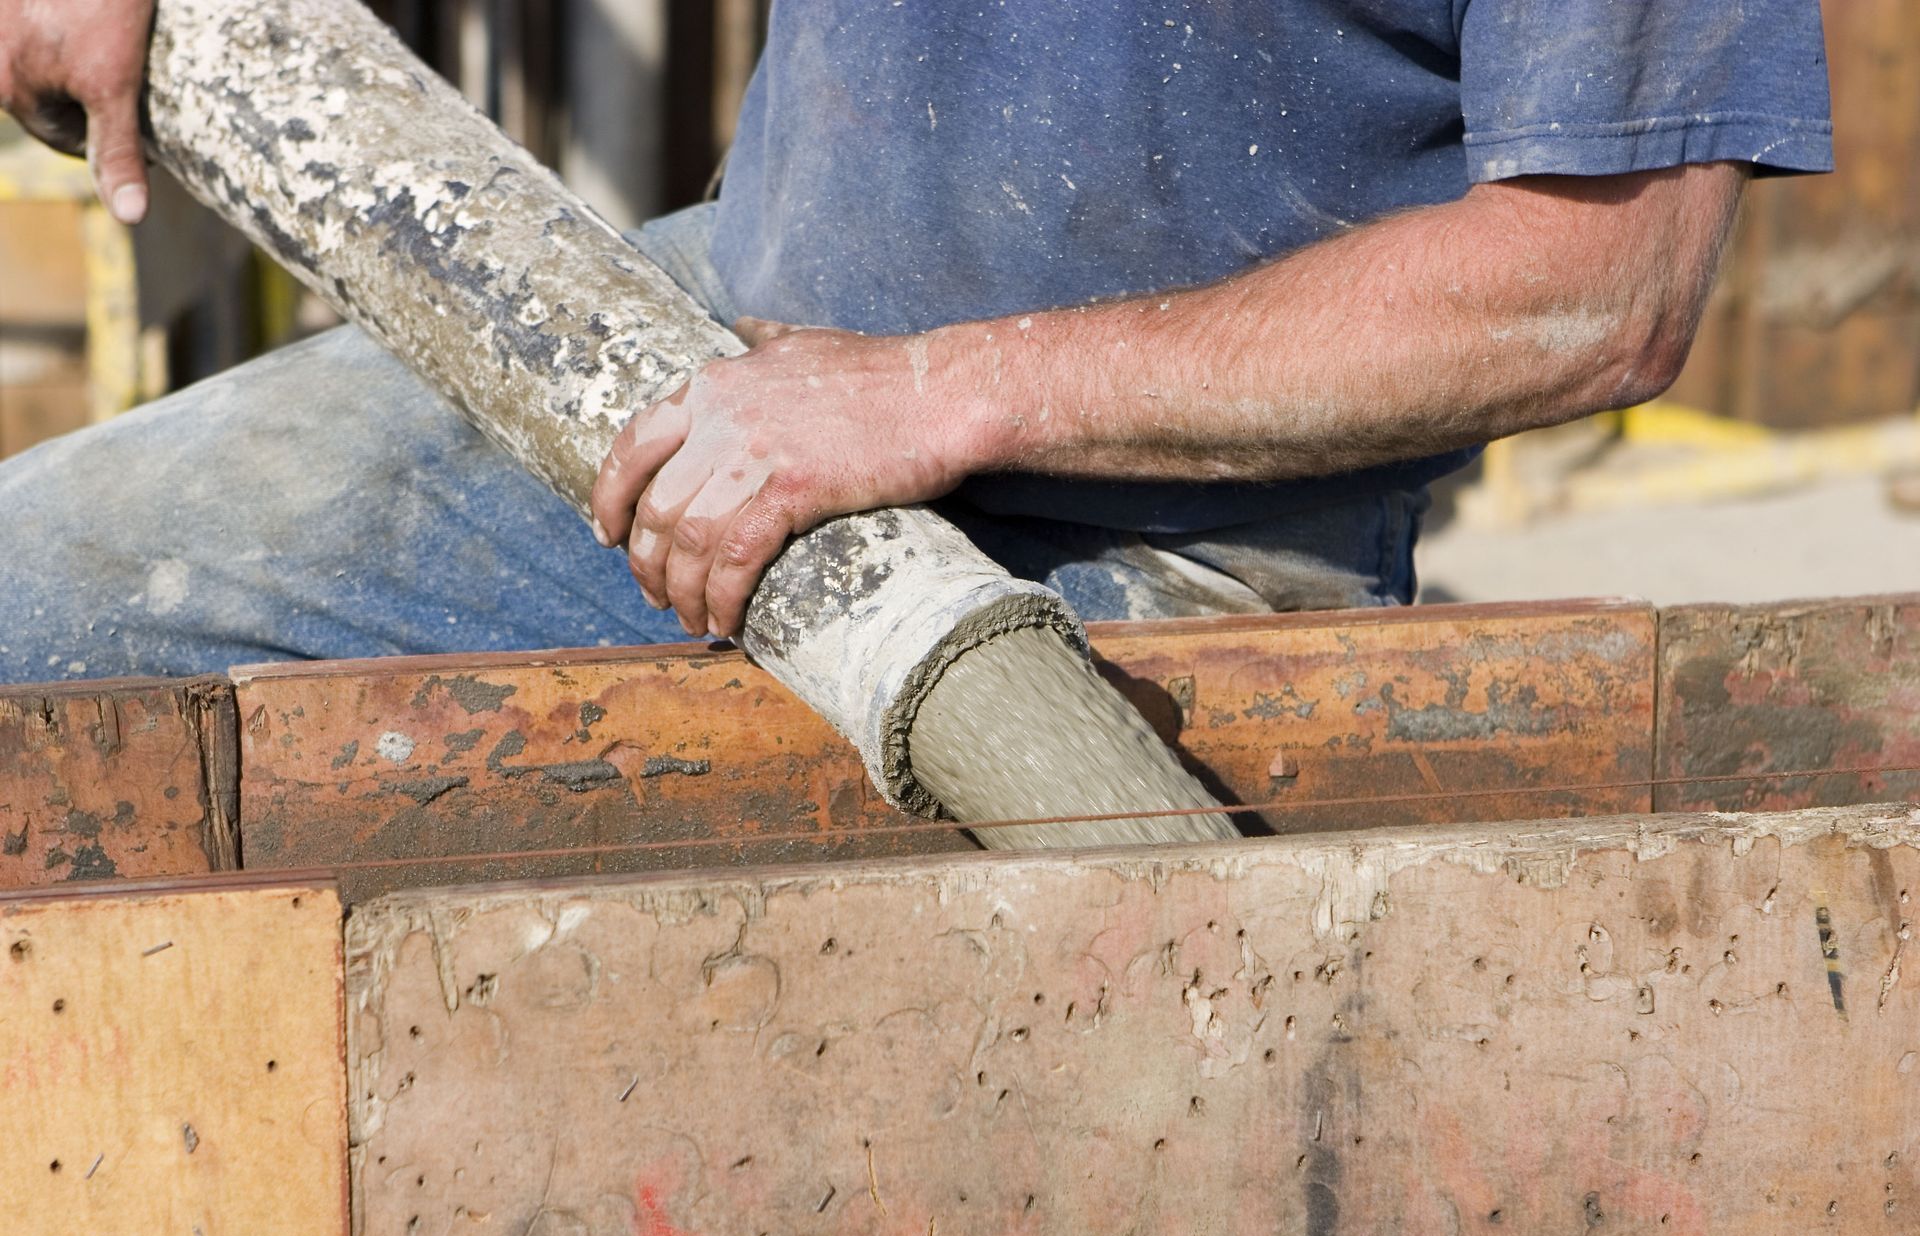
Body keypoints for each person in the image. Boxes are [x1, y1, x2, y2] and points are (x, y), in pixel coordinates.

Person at [0, 1, 1831, 681]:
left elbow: (1598, 291)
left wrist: (938, 393)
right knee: (32, 600)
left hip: (1148, 540)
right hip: (704, 351)